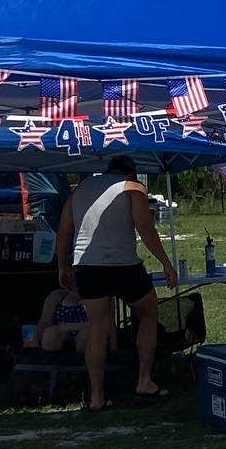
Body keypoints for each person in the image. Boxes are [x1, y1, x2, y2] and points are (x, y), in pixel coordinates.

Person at [57, 157, 178, 411]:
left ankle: (96, 397)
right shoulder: (132, 187)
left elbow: (65, 230)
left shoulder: (81, 188)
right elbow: (145, 228)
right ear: (131, 172)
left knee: (97, 328)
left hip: (87, 265)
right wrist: (166, 263)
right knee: (148, 314)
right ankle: (144, 380)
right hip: (123, 264)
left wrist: (62, 265)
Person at [32, 283, 88, 356]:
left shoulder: (95, 300)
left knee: (85, 336)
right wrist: (34, 344)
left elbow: (96, 324)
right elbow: (45, 321)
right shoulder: (57, 296)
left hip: (83, 331)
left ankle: (83, 360)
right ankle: (49, 359)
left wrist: (65, 327)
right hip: (58, 333)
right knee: (50, 333)